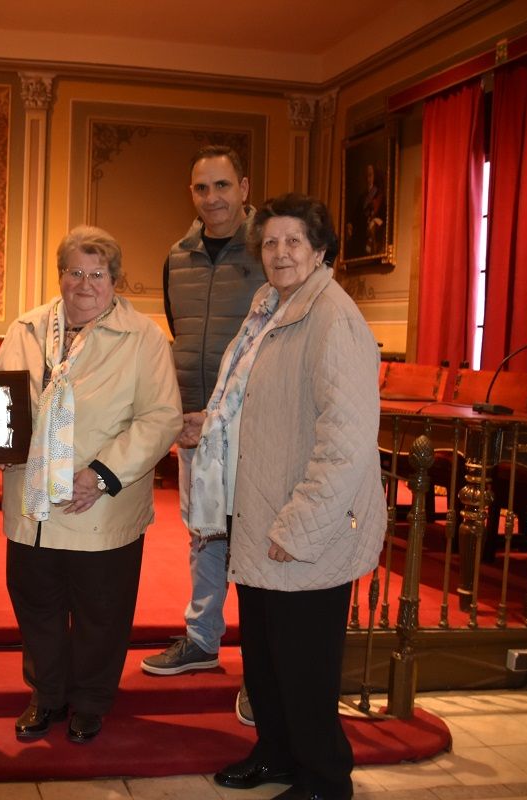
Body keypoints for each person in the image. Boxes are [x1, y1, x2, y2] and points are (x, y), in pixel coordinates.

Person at [200, 194, 385, 800]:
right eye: (271, 242)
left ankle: (323, 778)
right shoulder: (272, 308)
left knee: (304, 667)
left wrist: (300, 524)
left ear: (320, 249)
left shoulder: (335, 318)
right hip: (258, 510)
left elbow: (348, 441)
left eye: (293, 242)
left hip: (304, 525)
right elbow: (254, 400)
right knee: (266, 658)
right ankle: (276, 753)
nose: (280, 253)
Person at [0, 225, 182, 743]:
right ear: (60, 275)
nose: (84, 283)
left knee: (102, 611)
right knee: (38, 605)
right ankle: (47, 695)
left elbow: (161, 417)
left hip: (99, 505)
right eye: (74, 271)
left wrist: (101, 475)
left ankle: (92, 701)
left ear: (115, 280)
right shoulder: (27, 329)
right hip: (33, 505)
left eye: (97, 273)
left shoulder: (142, 337)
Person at [142, 145, 266, 727]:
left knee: (258, 538)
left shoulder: (270, 251)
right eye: (201, 189)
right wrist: (190, 410)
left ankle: (264, 668)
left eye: (222, 186)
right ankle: (201, 637)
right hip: (196, 421)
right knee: (204, 532)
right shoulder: (178, 257)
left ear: (244, 187)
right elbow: (180, 331)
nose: (212, 198)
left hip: (256, 423)